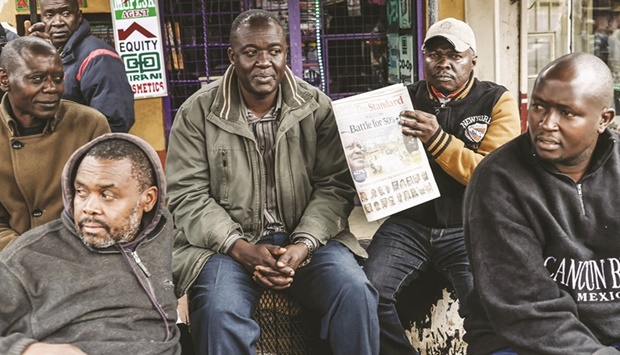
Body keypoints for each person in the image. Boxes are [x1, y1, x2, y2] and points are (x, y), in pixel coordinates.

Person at [165, 9, 379, 355]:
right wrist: (240, 248)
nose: (264, 62)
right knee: (219, 311)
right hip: (226, 248)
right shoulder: (197, 114)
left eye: (274, 51)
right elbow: (187, 195)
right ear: (232, 57)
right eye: (251, 52)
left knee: (354, 292)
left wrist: (304, 244)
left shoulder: (316, 107)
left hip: (308, 241)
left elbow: (335, 186)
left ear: (286, 53)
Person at [363, 17, 521, 354]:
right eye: (434, 54)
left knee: (485, 308)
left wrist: (437, 140)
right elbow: (377, 160)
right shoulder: (403, 99)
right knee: (367, 292)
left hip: (469, 228)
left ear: (473, 60)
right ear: (424, 58)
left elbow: (491, 176)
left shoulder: (497, 101)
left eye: (455, 55)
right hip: (408, 227)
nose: (444, 63)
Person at [463, 53, 620, 355]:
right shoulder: (498, 180)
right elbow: (524, 306)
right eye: (538, 106)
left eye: (567, 113)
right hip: (522, 338)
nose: (546, 123)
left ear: (603, 119)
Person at [0, 133, 180, 354]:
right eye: (81, 192)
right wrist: (26, 349)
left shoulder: (162, 233)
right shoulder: (27, 258)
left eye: (107, 195)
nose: (89, 207)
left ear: (148, 200)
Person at [0, 36, 110, 250]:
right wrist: (27, 256)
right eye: (37, 79)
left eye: (58, 78)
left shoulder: (89, 124)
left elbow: (105, 202)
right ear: (5, 79)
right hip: (11, 260)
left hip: (81, 252)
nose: (52, 88)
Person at [27, 0, 135, 132]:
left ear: (79, 16)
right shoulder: (52, 55)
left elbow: (114, 122)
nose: (58, 22)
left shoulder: (98, 56)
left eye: (66, 14)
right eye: (49, 16)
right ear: (41, 19)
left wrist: (79, 149)